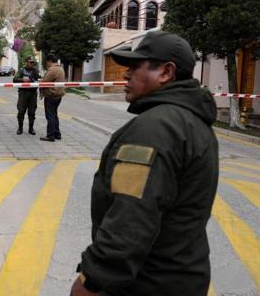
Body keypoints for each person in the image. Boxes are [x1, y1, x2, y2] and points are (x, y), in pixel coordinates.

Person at [70, 30, 219, 296]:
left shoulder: (154, 129)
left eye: (135, 67)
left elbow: (131, 218)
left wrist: (93, 281)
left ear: (165, 72)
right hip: (183, 278)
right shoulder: (194, 123)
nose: (126, 74)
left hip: (146, 284)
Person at [39, 53, 66, 142]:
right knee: (54, 115)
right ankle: (57, 133)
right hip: (58, 95)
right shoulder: (61, 69)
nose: (47, 64)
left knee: (50, 116)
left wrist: (40, 83)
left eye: (47, 62)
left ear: (49, 61)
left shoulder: (53, 70)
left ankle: (50, 135)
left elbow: (45, 82)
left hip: (51, 95)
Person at [13, 56, 40, 135]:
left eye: (33, 62)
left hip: (33, 93)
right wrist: (22, 80)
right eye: (30, 62)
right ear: (26, 62)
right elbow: (14, 79)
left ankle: (31, 129)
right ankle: (20, 128)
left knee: (32, 111)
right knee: (21, 111)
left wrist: (37, 80)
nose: (32, 64)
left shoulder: (35, 70)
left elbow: (40, 79)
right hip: (23, 93)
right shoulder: (21, 70)